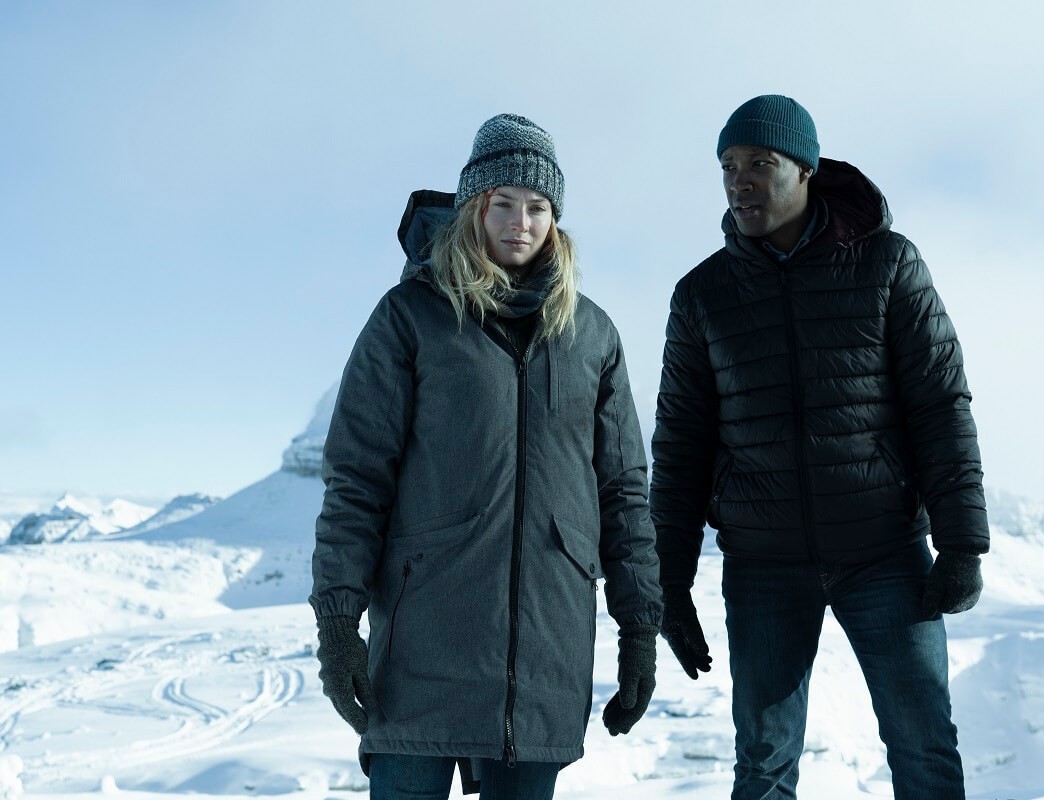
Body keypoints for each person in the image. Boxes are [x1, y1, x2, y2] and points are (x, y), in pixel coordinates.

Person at [309, 113, 663, 800]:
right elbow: (357, 479)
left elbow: (622, 491)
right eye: (504, 203)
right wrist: (337, 623)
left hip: (546, 657)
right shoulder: (410, 317)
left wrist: (639, 628)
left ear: (555, 219)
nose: (520, 223)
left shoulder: (592, 334)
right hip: (422, 653)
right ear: (474, 206)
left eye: (537, 207)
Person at [650, 95, 989, 800]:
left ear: (804, 169)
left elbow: (939, 405)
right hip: (764, 564)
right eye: (728, 166)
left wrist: (962, 544)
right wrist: (670, 583)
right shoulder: (702, 296)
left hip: (884, 552)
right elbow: (680, 446)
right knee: (763, 763)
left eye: (759, 164)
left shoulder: (888, 264)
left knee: (924, 745)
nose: (739, 181)